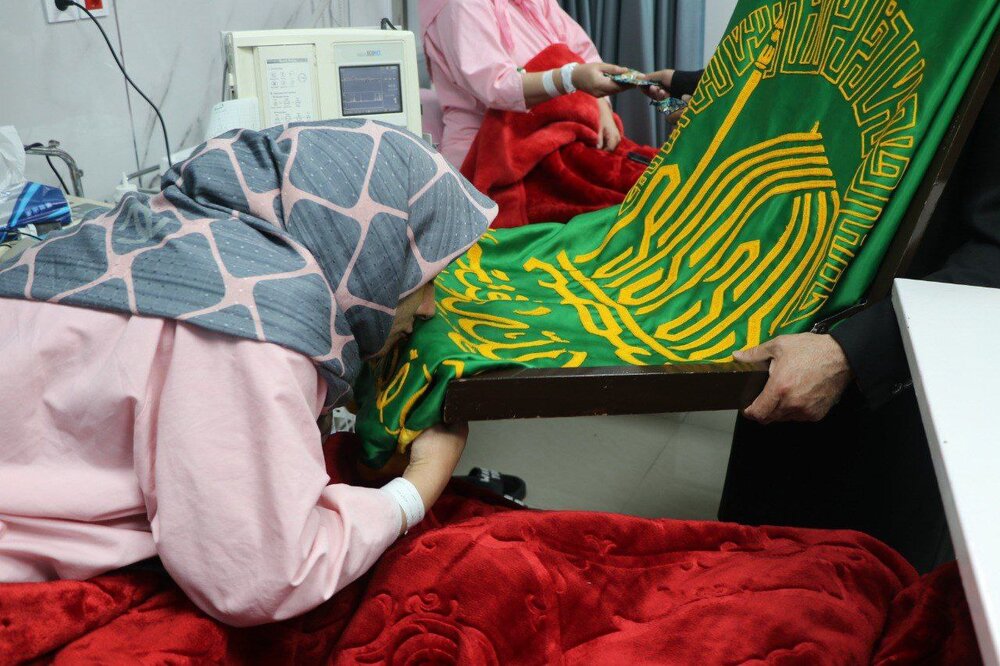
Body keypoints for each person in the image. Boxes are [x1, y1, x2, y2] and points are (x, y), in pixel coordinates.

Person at [0, 119, 496, 626]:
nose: (429, 307)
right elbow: (259, 579)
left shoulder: (165, 231)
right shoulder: (255, 319)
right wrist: (416, 489)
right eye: (424, 277)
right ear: (377, 251)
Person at [719, 75, 1000, 573]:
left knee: (854, 586)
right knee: (741, 567)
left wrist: (849, 351)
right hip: (785, 343)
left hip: (895, 384)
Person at [420, 0, 633, 167]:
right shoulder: (460, 5)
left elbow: (581, 50)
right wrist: (571, 78)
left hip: (550, 143)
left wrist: (601, 106)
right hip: (486, 156)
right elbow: (496, 86)